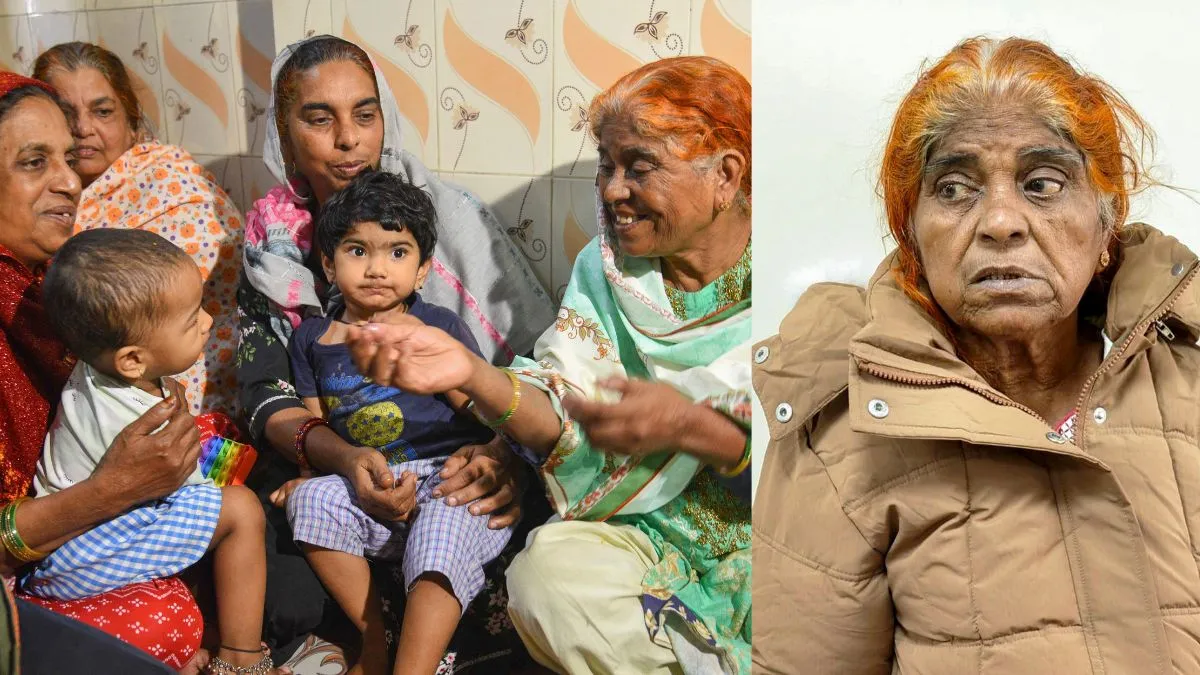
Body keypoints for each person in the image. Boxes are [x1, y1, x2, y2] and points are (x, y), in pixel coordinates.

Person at [752, 36, 1200, 674]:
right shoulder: (842, 438)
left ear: (1106, 222)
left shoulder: (1188, 378)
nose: (1000, 222)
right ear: (913, 235)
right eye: (956, 189)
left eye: (1042, 184)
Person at [344, 55, 753, 674]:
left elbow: (818, 460)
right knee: (546, 577)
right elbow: (562, 410)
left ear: (725, 176)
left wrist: (692, 428)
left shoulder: (791, 280)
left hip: (770, 535)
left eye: (639, 168)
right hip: (645, 531)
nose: (613, 190)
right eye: (606, 167)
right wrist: (470, 373)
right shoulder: (606, 268)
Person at [237, 35, 551, 667]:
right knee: (279, 575)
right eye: (319, 119)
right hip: (343, 463)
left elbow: (536, 364)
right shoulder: (270, 246)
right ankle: (375, 634)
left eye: (365, 113)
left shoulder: (446, 216)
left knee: (495, 539)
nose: (348, 138)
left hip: (457, 461)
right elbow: (269, 397)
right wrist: (346, 459)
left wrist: (503, 457)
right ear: (284, 133)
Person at [0, 70, 206, 671]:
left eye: (67, 158)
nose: (71, 181)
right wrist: (111, 488)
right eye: (34, 162)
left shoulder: (51, 292)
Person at [278, 170, 516, 675]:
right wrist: (302, 481)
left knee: (447, 517)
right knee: (310, 500)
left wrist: (498, 447)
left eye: (398, 252)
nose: (377, 268)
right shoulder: (313, 340)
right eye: (358, 251)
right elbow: (315, 428)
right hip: (369, 483)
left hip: (441, 475)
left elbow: (477, 404)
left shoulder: (437, 327)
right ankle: (375, 634)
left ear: (425, 269)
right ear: (328, 261)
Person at [25, 229, 277, 675]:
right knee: (242, 511)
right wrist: (226, 477)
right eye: (189, 319)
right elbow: (177, 477)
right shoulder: (130, 417)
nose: (206, 320)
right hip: (79, 550)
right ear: (132, 360)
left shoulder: (105, 372)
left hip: (75, 542)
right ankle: (242, 659)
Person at [33, 42, 244, 416]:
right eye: (66, 113)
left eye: (102, 111)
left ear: (131, 121)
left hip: (202, 387)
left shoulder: (171, 181)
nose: (83, 128)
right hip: (83, 401)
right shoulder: (28, 199)